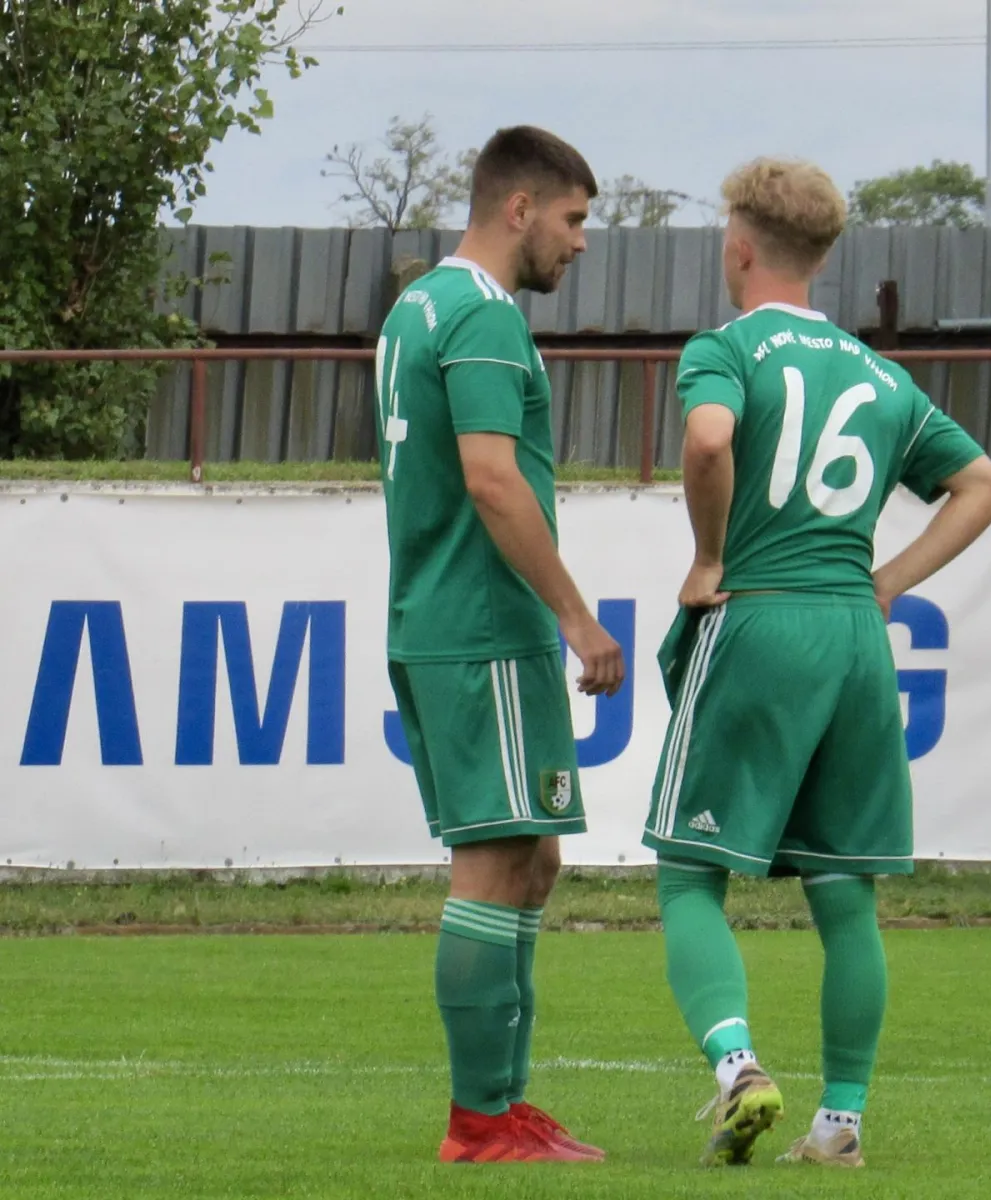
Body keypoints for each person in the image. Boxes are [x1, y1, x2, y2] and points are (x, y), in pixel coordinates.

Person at [642, 158, 991, 1169]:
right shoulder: (881, 377)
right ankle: (840, 1125)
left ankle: (737, 1068)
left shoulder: (728, 348)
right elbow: (985, 487)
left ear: (739, 246)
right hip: (854, 635)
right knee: (845, 894)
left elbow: (708, 441)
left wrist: (708, 557)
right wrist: (885, 583)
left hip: (762, 618)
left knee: (689, 873)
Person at [375, 124, 625, 1165]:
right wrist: (576, 613)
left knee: (533, 855)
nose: (580, 242)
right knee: (492, 864)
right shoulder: (482, 315)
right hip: (481, 627)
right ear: (518, 208)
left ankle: (506, 1105)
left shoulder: (417, 307)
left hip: (447, 621)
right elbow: (490, 476)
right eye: (572, 219)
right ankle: (479, 1121)